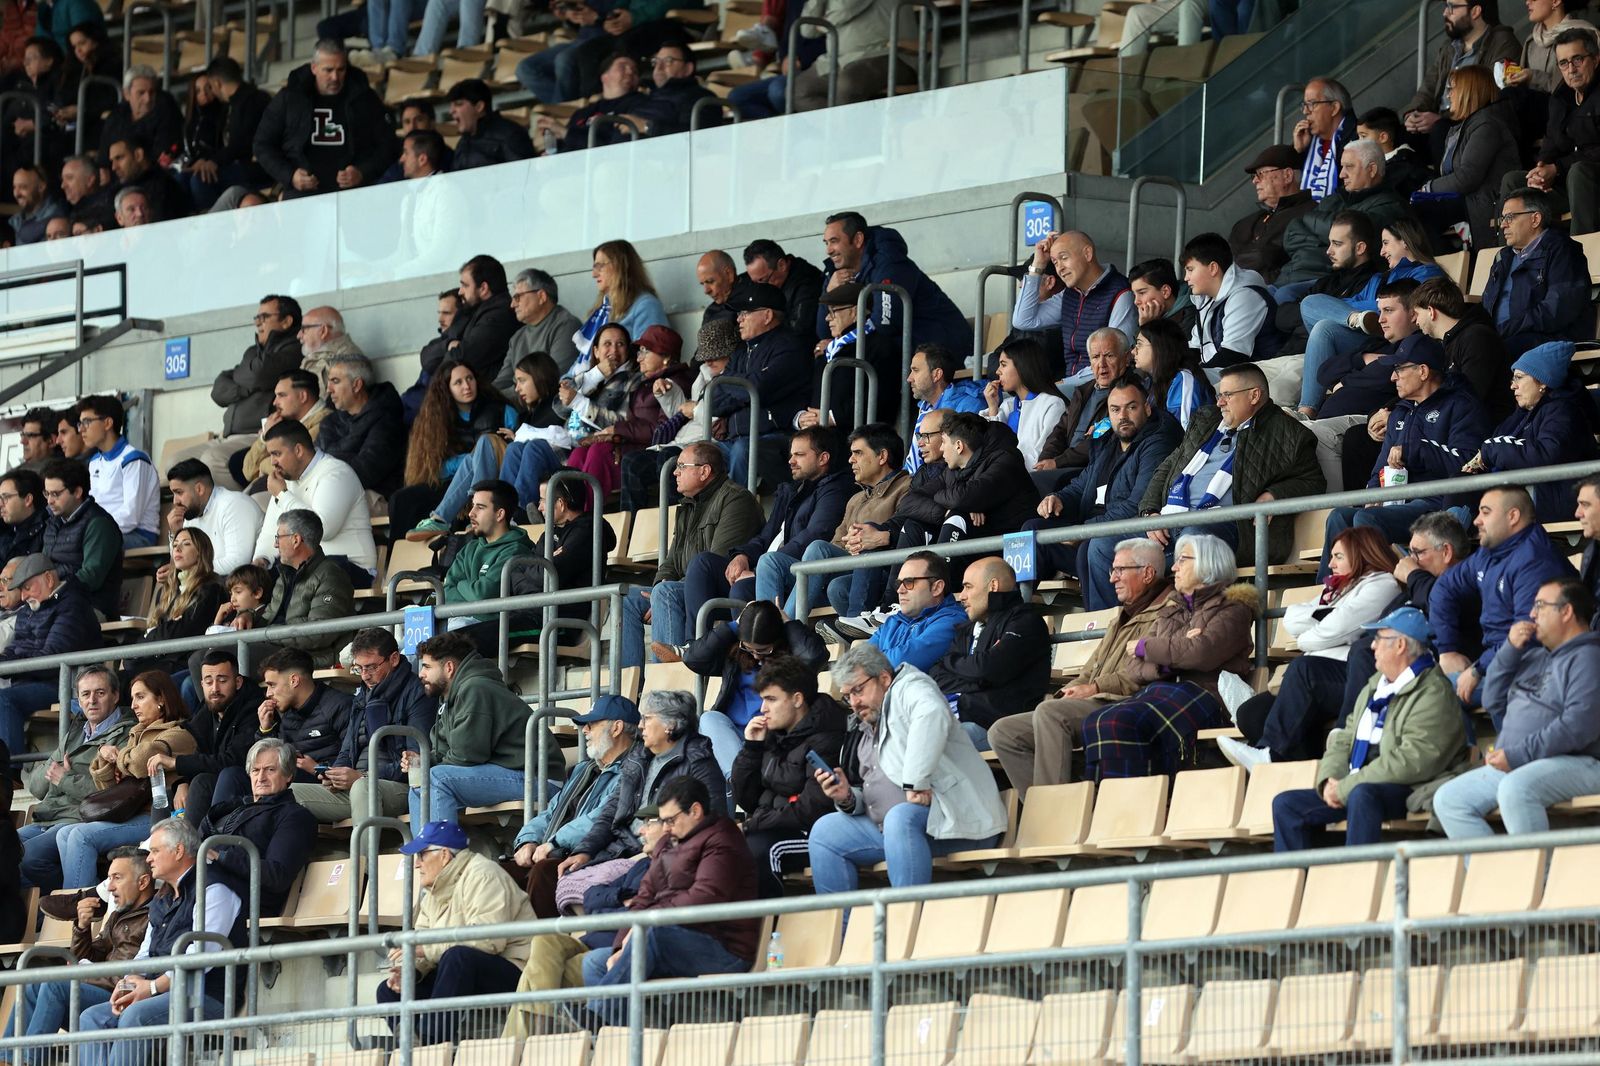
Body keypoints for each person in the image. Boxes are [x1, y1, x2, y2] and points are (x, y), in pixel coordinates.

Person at [807, 644, 1006, 893]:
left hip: (957, 822)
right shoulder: (867, 725)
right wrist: (847, 797)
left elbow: (931, 713)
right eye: (848, 696)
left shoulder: (910, 686)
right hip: (896, 829)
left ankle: (904, 922)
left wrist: (915, 782)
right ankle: (842, 930)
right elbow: (877, 794)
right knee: (825, 832)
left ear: (884, 678)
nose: (854, 703)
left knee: (900, 817)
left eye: (859, 690)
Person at [1271, 607, 1466, 851]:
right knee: (1286, 804)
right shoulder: (1376, 686)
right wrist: (1330, 780)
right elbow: (1344, 738)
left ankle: (1358, 878)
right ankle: (1301, 884)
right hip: (1359, 783)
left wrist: (1345, 788)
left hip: (1414, 786)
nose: (1372, 646)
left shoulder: (1434, 692)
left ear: (1400, 646)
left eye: (1378, 639)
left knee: (1362, 795)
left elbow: (1412, 761)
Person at [988, 539, 1173, 796]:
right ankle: (1042, 808)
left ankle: (1054, 813)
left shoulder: (1167, 613)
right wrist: (1070, 691)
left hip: (1126, 703)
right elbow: (1090, 669)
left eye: (1120, 570)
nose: (1112, 579)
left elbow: (1142, 674)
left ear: (1148, 573)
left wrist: (1094, 687)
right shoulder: (1123, 614)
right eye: (1112, 570)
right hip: (1095, 699)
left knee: (1050, 714)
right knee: (1003, 732)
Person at [581, 775, 760, 1023]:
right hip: (671, 939)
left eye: (670, 820)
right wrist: (622, 947)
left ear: (695, 810)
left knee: (653, 935)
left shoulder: (723, 840)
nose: (664, 828)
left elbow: (704, 898)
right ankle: (619, 1041)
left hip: (724, 949)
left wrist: (651, 922)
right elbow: (644, 897)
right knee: (595, 963)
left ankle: (596, 1019)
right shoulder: (668, 843)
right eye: (663, 820)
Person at [1220, 526, 1402, 769]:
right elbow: (1292, 619)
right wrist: (1327, 616)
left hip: (1351, 676)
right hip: (1321, 672)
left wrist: (1308, 636)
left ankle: (1270, 755)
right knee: (1251, 713)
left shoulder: (1382, 584)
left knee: (1303, 669)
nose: (1330, 564)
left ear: (1362, 554)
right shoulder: (1337, 590)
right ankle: (1296, 772)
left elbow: (1337, 629)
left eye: (1338, 556)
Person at [1435, 578, 1600, 838]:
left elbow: (1578, 726)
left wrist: (1517, 755)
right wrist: (1509, 650)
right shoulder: (1534, 656)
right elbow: (1492, 700)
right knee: (1449, 799)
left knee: (1516, 788)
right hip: (1522, 763)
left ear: (1566, 611)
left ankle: (1537, 877)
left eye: (1540, 606)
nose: (1532, 614)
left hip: (1580, 762)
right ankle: (1499, 876)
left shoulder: (1589, 656)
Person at [1081, 533, 1255, 780]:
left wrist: (1150, 649)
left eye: (1182, 560)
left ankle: (1137, 798)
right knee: (1095, 721)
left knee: (1121, 721)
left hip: (1205, 695)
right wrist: (1176, 654)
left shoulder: (1233, 609)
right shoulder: (1171, 609)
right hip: (1159, 691)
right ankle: (1115, 801)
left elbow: (1201, 654)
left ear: (1208, 563)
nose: (1174, 567)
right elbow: (1134, 668)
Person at [76, 817, 247, 1054]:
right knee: (93, 1017)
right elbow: (147, 951)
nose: (148, 858)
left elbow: (200, 958)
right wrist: (128, 982)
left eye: (155, 851)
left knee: (134, 1016)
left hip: (206, 994)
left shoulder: (214, 888)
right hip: (162, 991)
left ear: (178, 851)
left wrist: (154, 987)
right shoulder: (163, 896)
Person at [1318, 341, 1487, 575]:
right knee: (1339, 517)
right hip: (1397, 501)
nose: (1392, 378)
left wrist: (1415, 449)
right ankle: (1327, 593)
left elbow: (1467, 463)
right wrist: (1374, 492)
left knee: (1367, 519)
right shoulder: (1401, 410)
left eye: (1398, 370)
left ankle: (1379, 587)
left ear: (1423, 371)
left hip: (1435, 503)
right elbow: (1382, 464)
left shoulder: (1461, 405)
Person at [553, 690, 727, 915]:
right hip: (623, 848)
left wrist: (658, 848)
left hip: (659, 855)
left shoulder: (698, 762)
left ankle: (613, 939)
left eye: (647, 718)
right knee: (564, 879)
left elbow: (712, 820)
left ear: (670, 725)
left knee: (584, 890)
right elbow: (610, 812)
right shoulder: (639, 757)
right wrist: (584, 851)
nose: (641, 726)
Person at [1138, 362, 1325, 564]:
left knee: (1194, 539)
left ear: (1254, 396)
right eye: (1220, 395)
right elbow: (1168, 467)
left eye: (1228, 395)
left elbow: (1313, 481)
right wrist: (1150, 512)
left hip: (1231, 528)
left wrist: (1274, 495)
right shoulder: (1205, 421)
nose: (1220, 403)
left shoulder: (1291, 434)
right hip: (1171, 520)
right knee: (1107, 546)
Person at [1030, 372, 1181, 610]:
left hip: (1121, 537)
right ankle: (1024, 614)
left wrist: (1084, 531)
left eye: (1131, 407)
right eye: (1115, 409)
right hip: (1090, 533)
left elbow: (1137, 505)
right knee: (1031, 532)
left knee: (1092, 547)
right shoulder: (1106, 441)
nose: (1123, 416)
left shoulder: (1157, 442)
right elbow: (1083, 483)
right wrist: (1058, 498)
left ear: (1147, 409)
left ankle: (1103, 624)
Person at [680, 426, 853, 632]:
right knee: (703, 563)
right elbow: (765, 537)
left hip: (792, 574)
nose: (790, 461)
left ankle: (759, 647)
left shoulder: (834, 489)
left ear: (823, 458)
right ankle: (695, 645)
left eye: (799, 455)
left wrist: (760, 570)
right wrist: (743, 555)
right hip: (764, 569)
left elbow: (815, 535)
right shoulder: (791, 491)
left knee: (743, 586)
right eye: (790, 455)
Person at [377, 820, 533, 1044]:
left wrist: (426, 950)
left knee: (458, 956)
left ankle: (431, 1042)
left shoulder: (484, 875)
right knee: (389, 991)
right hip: (463, 973)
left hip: (516, 973)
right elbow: (422, 940)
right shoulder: (432, 893)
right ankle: (415, 1044)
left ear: (443, 855)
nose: (417, 864)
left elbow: (489, 941)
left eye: (421, 855)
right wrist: (411, 971)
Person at [619, 442, 762, 668]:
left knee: (666, 593)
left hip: (722, 588)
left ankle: (670, 686)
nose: (675, 472)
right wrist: (659, 584)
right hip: (685, 587)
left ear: (704, 471)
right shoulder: (687, 506)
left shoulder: (736, 499)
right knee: (626, 601)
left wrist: (663, 591)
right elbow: (671, 560)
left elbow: (714, 564)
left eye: (681, 467)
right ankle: (628, 689)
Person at [1433, 486, 1578, 705]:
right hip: (1497, 661)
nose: (1476, 520)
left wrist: (1478, 670)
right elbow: (1444, 587)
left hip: (1534, 669)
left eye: (1486, 512)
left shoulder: (1535, 561)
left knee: (1434, 695)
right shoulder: (1490, 552)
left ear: (1513, 516)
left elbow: (1528, 635)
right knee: (1414, 686)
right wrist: (1447, 650)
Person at [7, 845, 152, 1061]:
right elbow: (83, 958)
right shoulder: (118, 914)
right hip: (100, 990)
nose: (109, 887)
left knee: (55, 984)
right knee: (33, 983)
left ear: (142, 882)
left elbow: (126, 975)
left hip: (119, 995)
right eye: (109, 878)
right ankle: (6, 1058)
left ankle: (30, 1060)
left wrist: (82, 973)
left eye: (117, 878)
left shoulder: (153, 916)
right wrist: (82, 927)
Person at [54, 671, 195, 889]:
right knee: (64, 833)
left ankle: (80, 903)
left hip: (156, 817)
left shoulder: (178, 732)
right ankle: (83, 902)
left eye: (141, 697)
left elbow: (139, 762)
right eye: (133, 698)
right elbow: (111, 789)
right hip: (130, 813)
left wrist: (116, 756)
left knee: (80, 836)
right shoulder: (136, 734)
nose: (134, 705)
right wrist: (104, 760)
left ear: (160, 699)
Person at [1293, 217, 1445, 418]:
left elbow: (1412, 304)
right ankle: (1357, 320)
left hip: (1400, 342)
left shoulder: (1427, 273)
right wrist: (1354, 313)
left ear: (1405, 242)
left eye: (1385, 243)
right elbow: (1349, 301)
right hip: (1370, 339)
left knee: (1324, 324)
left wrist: (1372, 307)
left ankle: (1308, 408)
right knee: (1313, 306)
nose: (1381, 252)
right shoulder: (1380, 277)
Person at [407, 631, 562, 827]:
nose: (421, 674)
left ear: (449, 667)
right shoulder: (451, 695)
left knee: (436, 778)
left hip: (540, 779)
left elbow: (468, 755)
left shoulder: (475, 689)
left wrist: (431, 767)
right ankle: (423, 855)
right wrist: (424, 761)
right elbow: (448, 751)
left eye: (427, 667)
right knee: (419, 783)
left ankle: (440, 853)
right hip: (509, 771)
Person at [758, 423, 911, 619]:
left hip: (881, 571)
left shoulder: (906, 487)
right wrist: (849, 543)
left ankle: (787, 628)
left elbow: (907, 534)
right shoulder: (856, 499)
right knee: (770, 561)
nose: (851, 460)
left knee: (819, 550)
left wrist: (871, 540)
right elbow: (837, 542)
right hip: (846, 568)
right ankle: (766, 629)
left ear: (882, 456)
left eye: (858, 453)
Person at [290, 628, 437, 824]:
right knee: (285, 792)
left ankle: (366, 855)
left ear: (394, 659)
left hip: (399, 787)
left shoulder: (417, 693)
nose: (365, 676)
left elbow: (416, 761)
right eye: (359, 668)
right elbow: (347, 750)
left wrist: (362, 776)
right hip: (357, 785)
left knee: (362, 788)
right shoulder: (363, 695)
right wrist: (336, 774)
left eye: (371, 667)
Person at [513, 695, 641, 918]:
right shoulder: (584, 770)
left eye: (591, 724)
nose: (584, 731)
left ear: (617, 728)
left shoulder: (632, 769)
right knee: (500, 873)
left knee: (544, 872)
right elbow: (551, 811)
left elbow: (600, 817)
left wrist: (554, 843)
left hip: (589, 855)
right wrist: (528, 840)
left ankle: (539, 946)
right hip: (552, 850)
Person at [732, 655, 848, 897]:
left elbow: (811, 809)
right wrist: (751, 749)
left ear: (797, 699)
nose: (763, 709)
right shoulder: (773, 733)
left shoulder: (826, 737)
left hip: (812, 833)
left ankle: (767, 929)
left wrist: (752, 825)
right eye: (762, 700)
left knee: (759, 850)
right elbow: (747, 799)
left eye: (771, 699)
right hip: (770, 826)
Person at [675, 600, 828, 774]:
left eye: (763, 650)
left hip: (772, 735)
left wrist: (788, 623)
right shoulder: (735, 652)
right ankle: (738, 777)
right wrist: (735, 625)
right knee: (709, 718)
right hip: (734, 736)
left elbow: (814, 656)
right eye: (749, 648)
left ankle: (740, 777)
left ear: (777, 641)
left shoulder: (790, 657)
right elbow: (693, 659)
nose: (755, 655)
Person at [19, 666, 131, 891]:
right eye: (85, 694)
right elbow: (37, 787)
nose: (92, 701)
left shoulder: (127, 734)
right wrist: (59, 773)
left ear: (115, 695)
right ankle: (39, 913)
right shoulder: (76, 732)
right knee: (6, 847)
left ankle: (64, 905)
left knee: (29, 857)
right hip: (49, 817)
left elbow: (111, 794)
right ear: (78, 700)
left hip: (78, 819)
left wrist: (65, 779)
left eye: (100, 693)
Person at [1467, 341, 1599, 520]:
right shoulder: (1520, 415)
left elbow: (1546, 454)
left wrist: (1491, 450)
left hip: (1556, 497)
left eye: (1519, 377)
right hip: (1527, 494)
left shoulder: (1563, 411)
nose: (1513, 385)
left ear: (1543, 382)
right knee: (1460, 484)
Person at [928, 557, 1052, 746]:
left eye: (968, 587)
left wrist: (957, 665)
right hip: (960, 717)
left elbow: (988, 668)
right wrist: (978, 679)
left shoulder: (1026, 622)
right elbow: (937, 676)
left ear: (993, 586)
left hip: (998, 727)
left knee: (932, 742)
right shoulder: (966, 628)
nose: (961, 596)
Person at [186, 294, 303, 488]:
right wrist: (244, 388)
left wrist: (246, 377)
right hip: (226, 435)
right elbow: (218, 390)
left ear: (286, 321)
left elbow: (260, 374)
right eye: (257, 318)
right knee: (178, 463)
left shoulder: (294, 349)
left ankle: (237, 510)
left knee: (212, 460)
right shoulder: (252, 352)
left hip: (256, 434)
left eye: (265, 317)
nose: (258, 323)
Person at [253, 39, 394, 197]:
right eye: (328, 70)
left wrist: (362, 172)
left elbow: (387, 145)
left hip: (353, 195)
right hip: (302, 196)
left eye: (341, 70)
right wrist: (290, 176)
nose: (335, 77)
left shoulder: (364, 98)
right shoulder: (290, 98)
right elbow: (262, 144)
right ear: (314, 68)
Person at [815, 211, 968, 355]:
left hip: (940, 346)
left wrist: (841, 343)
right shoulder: (835, 273)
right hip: (904, 351)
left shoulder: (889, 263)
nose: (829, 250)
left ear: (857, 240)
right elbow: (825, 332)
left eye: (834, 241)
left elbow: (886, 323)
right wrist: (829, 292)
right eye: (826, 243)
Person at [196, 738, 317, 917]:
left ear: (288, 775)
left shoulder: (294, 816)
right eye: (255, 770)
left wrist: (220, 857)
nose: (261, 778)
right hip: (200, 886)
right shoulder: (231, 808)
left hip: (238, 899)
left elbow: (277, 875)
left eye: (270, 770)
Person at [0, 552, 101, 756]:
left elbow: (52, 658)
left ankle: (9, 775)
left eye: (27, 588)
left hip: (64, 684)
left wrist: (13, 668)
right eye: (21, 590)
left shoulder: (72, 604)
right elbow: (16, 648)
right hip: (31, 681)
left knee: (4, 699)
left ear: (48, 578)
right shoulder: (28, 610)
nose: (23, 597)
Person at [1276, 139, 1412, 289]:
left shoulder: (1390, 205)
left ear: (1372, 170)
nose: (1342, 174)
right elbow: (1292, 232)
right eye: (1342, 167)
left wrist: (1312, 230)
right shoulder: (1334, 199)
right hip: (1292, 275)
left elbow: (1355, 241)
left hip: (1326, 282)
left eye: (1349, 167)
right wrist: (1330, 242)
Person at [1412, 66, 1522, 248]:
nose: (1448, 95)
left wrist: (1429, 189)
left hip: (1484, 203)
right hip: (1468, 201)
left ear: (1468, 91)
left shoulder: (1487, 124)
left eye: (1452, 89)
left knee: (1417, 212)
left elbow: (1468, 177)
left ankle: (1441, 268)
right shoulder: (1466, 125)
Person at [251, 420, 377, 578]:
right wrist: (261, 560)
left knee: (291, 577)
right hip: (310, 568)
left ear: (298, 450)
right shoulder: (286, 482)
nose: (272, 462)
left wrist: (283, 495)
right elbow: (270, 532)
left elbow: (322, 529)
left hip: (351, 567)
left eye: (277, 454)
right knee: (253, 583)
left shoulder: (335, 473)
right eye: (270, 455)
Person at [1478, 187, 1595, 355]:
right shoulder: (1502, 257)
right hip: (1504, 336)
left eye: (1510, 217)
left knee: (1490, 353)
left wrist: (1504, 330)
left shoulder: (1563, 251)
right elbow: (1486, 306)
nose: (1503, 224)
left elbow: (1557, 310)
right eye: (1503, 218)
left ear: (1535, 219)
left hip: (1549, 340)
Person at [239, 510, 355, 671]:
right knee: (207, 657)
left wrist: (269, 634)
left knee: (223, 658)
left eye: (278, 537)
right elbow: (268, 617)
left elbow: (319, 633)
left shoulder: (330, 575)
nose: (275, 544)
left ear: (296, 540)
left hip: (308, 657)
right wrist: (249, 615)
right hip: (278, 648)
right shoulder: (285, 575)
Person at [1014, 230, 1136, 381]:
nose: (1060, 268)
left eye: (1064, 258)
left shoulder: (1120, 292)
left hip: (1103, 391)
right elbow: (1023, 320)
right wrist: (1038, 265)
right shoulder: (1070, 294)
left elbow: (1116, 361)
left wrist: (1064, 384)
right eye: (1055, 262)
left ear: (1088, 254)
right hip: (1074, 390)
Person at [1511, 28, 1600, 235]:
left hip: (1590, 180)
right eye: (1563, 63)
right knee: (1514, 181)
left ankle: (1584, 257)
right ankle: (1515, 261)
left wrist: (1557, 168)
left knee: (1579, 172)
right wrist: (1541, 170)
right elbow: (1551, 141)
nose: (1571, 69)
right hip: (1567, 184)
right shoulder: (1561, 97)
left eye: (1577, 60)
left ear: (1595, 59)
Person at [165, 650, 260, 822]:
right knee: (168, 794)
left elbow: (233, 760)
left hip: (245, 783)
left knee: (202, 781)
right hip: (216, 782)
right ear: (202, 684)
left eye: (222, 680)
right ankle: (157, 845)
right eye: (209, 682)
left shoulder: (253, 709)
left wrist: (176, 763)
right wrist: (182, 782)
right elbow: (197, 752)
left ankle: (189, 845)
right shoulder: (206, 711)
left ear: (238, 682)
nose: (215, 689)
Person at [1403, 0, 1519, 139]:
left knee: (1440, 130)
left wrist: (1441, 120)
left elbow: (1490, 96)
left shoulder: (1502, 42)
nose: (1445, 12)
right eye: (1445, 6)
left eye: (1452, 7)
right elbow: (1428, 87)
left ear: (1475, 11)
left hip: (1474, 128)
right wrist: (1413, 114)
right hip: (1439, 125)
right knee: (1399, 133)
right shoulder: (1449, 47)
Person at [1409, 276, 1514, 418]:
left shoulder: (1477, 338)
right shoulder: (1448, 342)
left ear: (1431, 311)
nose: (1414, 320)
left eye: (1417, 313)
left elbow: (1470, 398)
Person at [1182, 232, 1279, 375]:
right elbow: (1195, 350)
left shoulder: (1245, 296)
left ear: (1213, 268)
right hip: (1229, 377)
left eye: (1190, 269)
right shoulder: (1206, 300)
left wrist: (1192, 376)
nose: (1186, 278)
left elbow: (1233, 355)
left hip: (1260, 379)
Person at [41, 456, 123, 618]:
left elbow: (91, 576)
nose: (50, 501)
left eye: (56, 494)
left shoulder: (99, 524)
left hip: (90, 607)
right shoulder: (52, 522)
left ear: (77, 492)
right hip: (55, 602)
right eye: (46, 493)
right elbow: (42, 566)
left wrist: (53, 593)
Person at [135, 527, 224, 677]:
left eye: (186, 544)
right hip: (159, 663)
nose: (178, 548)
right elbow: (167, 634)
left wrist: (152, 633)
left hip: (184, 665)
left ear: (201, 552)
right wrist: (164, 629)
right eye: (175, 544)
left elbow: (181, 633)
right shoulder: (165, 592)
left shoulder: (210, 590)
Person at [317, 352, 408, 498]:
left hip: (376, 496)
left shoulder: (387, 420)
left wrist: (332, 463)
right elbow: (313, 463)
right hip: (332, 490)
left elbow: (365, 472)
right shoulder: (330, 422)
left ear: (357, 385)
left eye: (335, 381)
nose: (329, 389)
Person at [442, 479, 535, 616]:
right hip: (458, 622)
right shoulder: (469, 548)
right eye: (472, 506)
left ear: (500, 514)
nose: (471, 513)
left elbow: (483, 595)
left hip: (490, 629)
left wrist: (461, 584)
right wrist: (471, 591)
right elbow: (447, 592)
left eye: (480, 507)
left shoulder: (516, 550)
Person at [1229, 144, 1319, 283]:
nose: (1255, 181)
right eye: (1254, 176)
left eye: (1261, 174)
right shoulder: (1243, 223)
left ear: (1287, 175)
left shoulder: (1312, 214)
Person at [981, 338, 1069, 473]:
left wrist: (998, 467)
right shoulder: (1008, 405)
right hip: (998, 475)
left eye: (1003, 365)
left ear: (1022, 366)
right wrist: (993, 409)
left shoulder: (1052, 404)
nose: (998, 371)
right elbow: (987, 445)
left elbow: (1042, 455)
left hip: (1026, 479)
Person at [164, 459, 262, 577]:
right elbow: (181, 561)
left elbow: (237, 563)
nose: (175, 501)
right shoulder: (192, 514)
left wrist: (189, 571)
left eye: (179, 492)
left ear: (199, 489)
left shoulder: (234, 505)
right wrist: (176, 533)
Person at [234, 368, 328, 490]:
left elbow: (294, 465)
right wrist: (265, 437)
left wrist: (263, 466)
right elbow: (248, 471)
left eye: (281, 395)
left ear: (303, 396)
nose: (274, 402)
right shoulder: (286, 421)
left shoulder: (324, 422)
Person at [904, 344, 985, 475]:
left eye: (916, 370)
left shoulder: (969, 406)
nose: (909, 378)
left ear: (937, 374)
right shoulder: (924, 408)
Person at [496, 268, 583, 387]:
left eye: (517, 297)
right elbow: (501, 382)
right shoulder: (517, 337)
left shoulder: (567, 326)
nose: (512, 304)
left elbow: (551, 382)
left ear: (541, 296)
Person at [548, 52, 651, 152]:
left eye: (635, 71)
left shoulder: (640, 104)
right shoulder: (582, 113)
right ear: (604, 76)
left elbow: (614, 147)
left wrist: (566, 134)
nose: (630, 72)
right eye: (622, 67)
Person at [1131, 318, 1211, 430]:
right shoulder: (1153, 382)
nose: (1133, 351)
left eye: (1139, 344)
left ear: (1159, 346)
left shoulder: (1183, 380)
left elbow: (1183, 431)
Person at [743, 238, 825, 345]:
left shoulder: (807, 283)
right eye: (755, 283)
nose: (760, 289)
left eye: (763, 280)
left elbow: (799, 328)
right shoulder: (774, 284)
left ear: (781, 265)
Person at [1292, 77, 1356, 202]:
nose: (1305, 111)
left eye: (1312, 104)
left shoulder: (1357, 139)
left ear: (1334, 108)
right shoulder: (1307, 142)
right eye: (1304, 105)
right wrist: (1298, 151)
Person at [446, 78, 533, 169]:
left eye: (458, 104)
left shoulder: (511, 135)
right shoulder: (463, 142)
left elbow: (525, 176)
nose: (451, 111)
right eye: (451, 106)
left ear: (479, 107)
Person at [0, 466, 47, 563]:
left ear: (28, 500)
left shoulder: (48, 530)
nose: (0, 504)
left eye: (6, 497)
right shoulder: (6, 530)